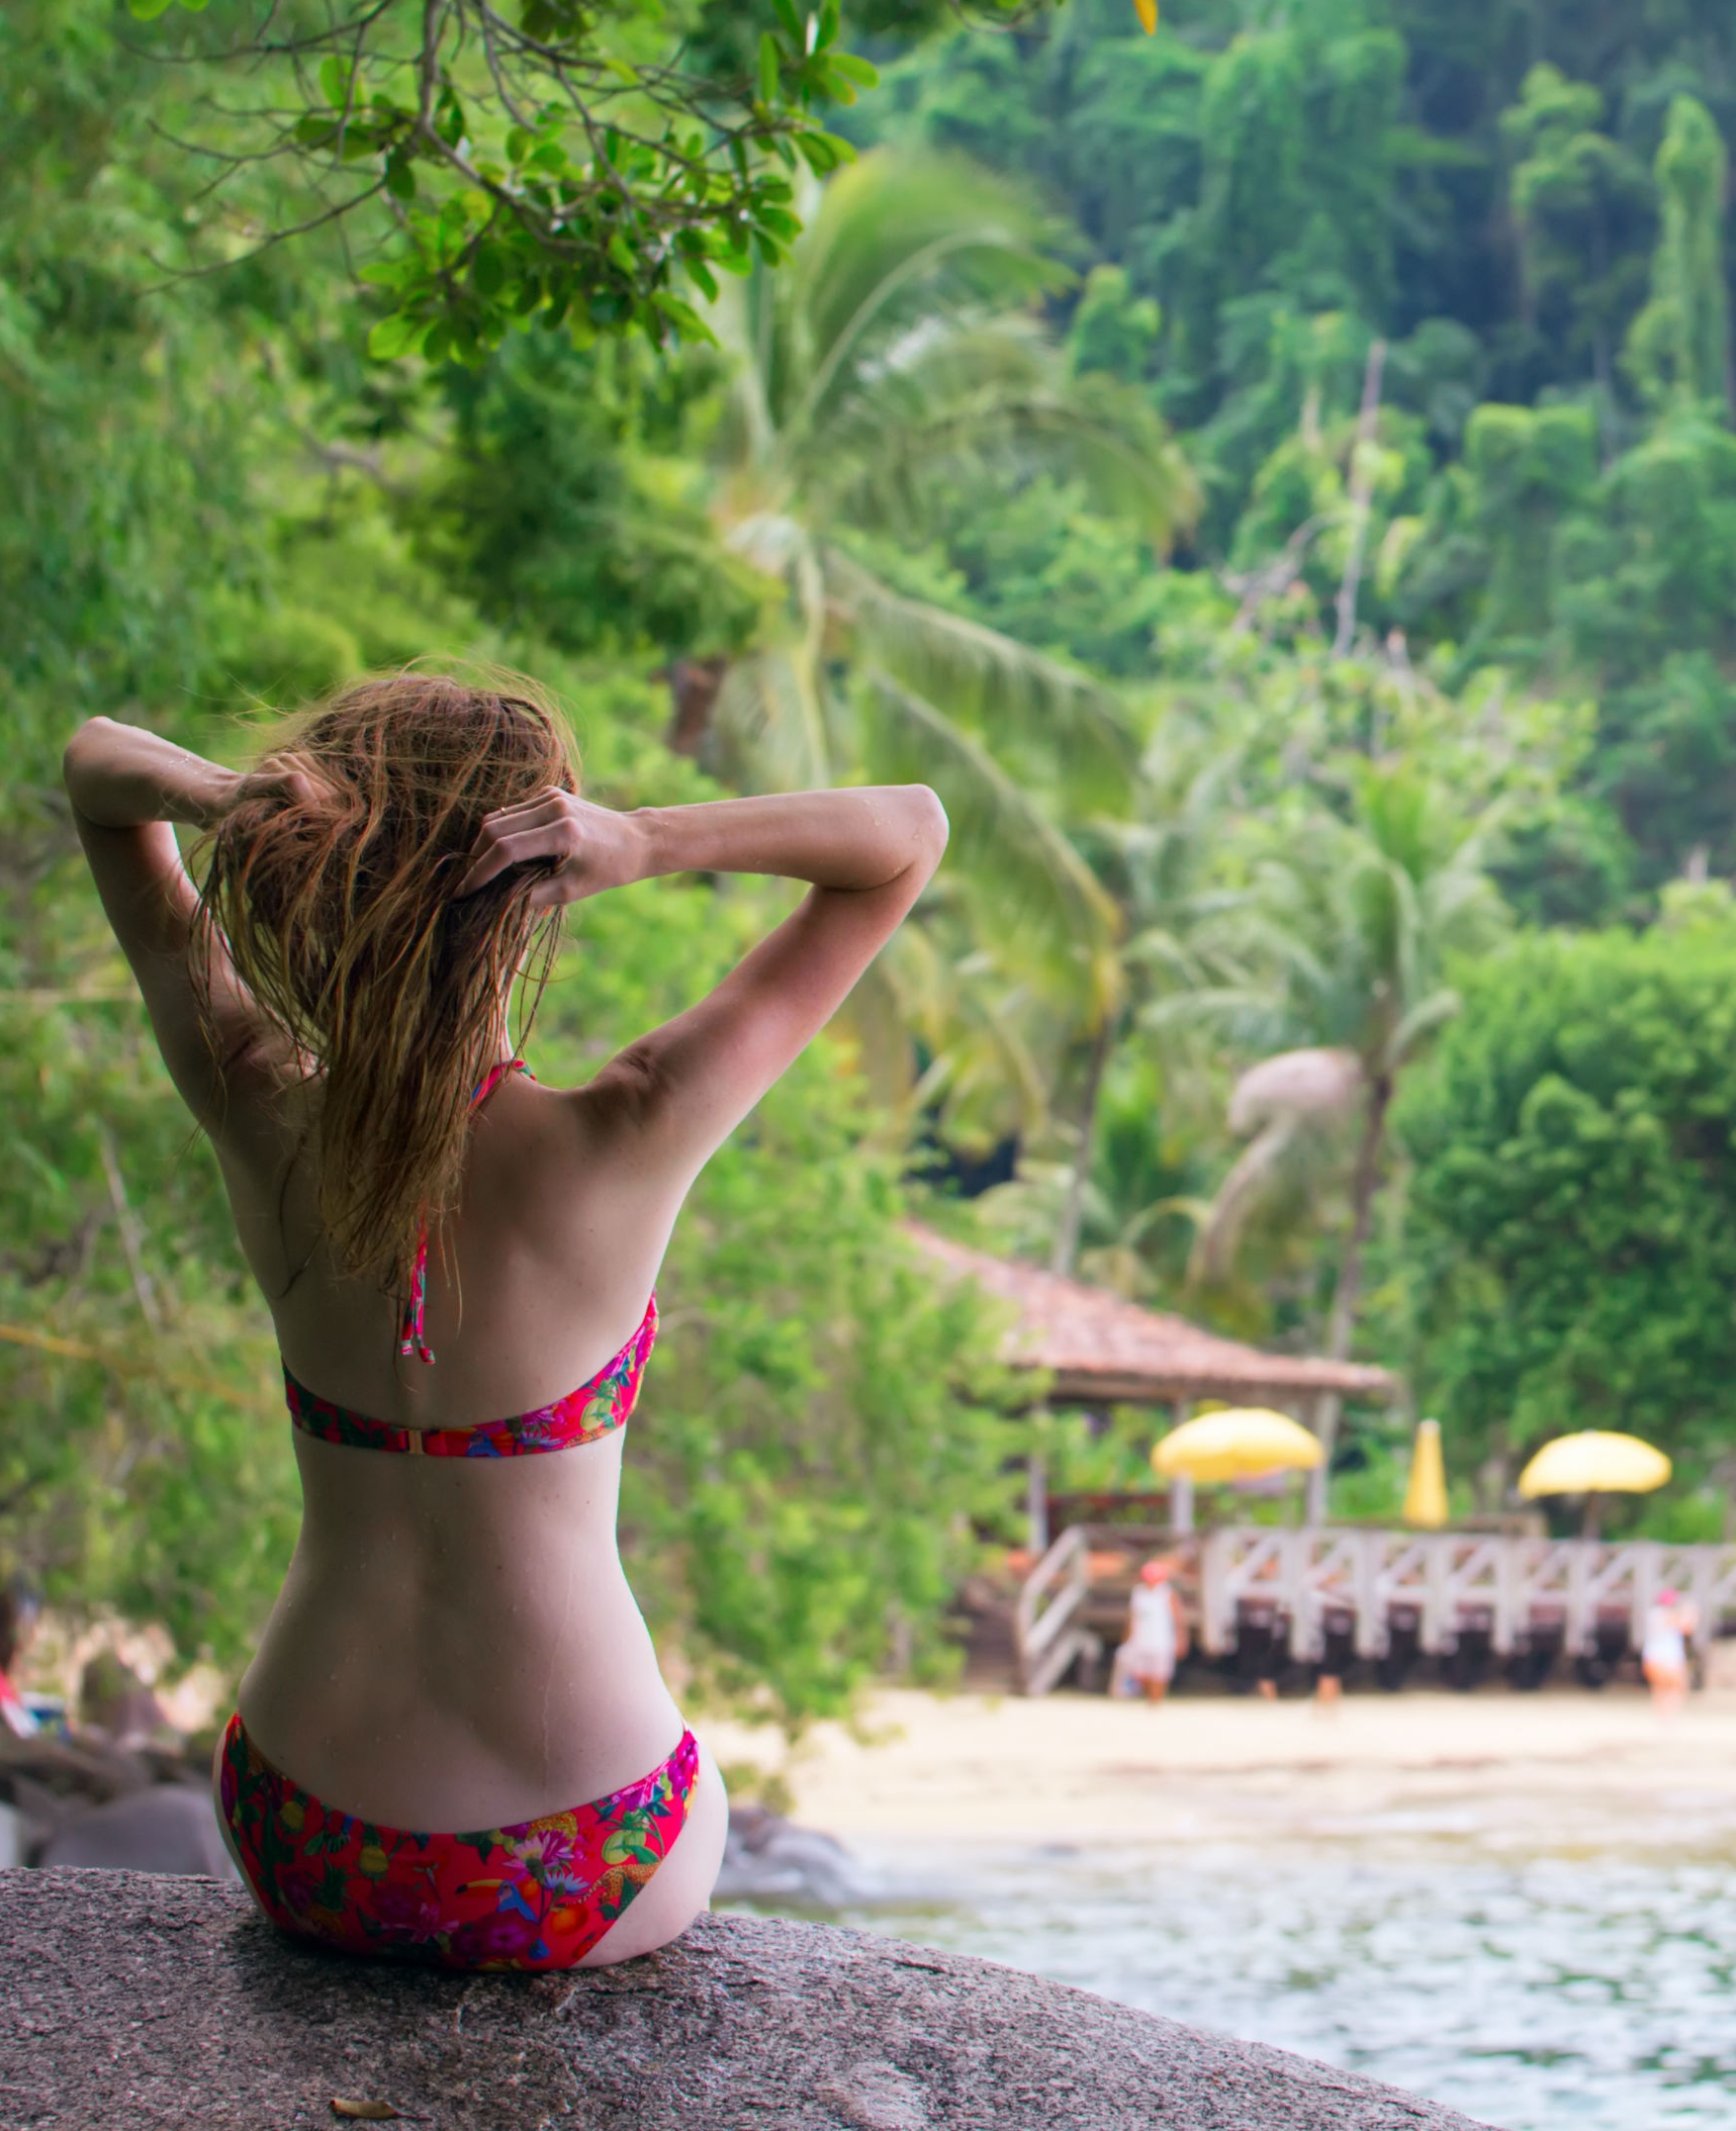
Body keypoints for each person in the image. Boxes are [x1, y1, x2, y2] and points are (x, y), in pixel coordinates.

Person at [63, 677, 943, 1971]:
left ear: (323, 875)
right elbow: (905, 833)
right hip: (584, 1856)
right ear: (532, 902)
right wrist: (645, 839)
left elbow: (96, 771)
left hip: (301, 1839)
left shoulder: (252, 1101)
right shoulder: (632, 1127)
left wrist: (231, 802)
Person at [1112, 1559, 1184, 1704]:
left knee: (1160, 1675)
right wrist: (1127, 1638)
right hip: (1141, 1640)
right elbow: (1132, 1618)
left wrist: (1181, 1640)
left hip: (1162, 1640)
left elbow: (1178, 1620)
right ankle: (1146, 1698)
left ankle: (1155, 1703)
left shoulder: (1167, 1593)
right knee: (1140, 1673)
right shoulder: (1138, 1592)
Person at [1641, 1586, 1695, 1714]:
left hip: (1652, 1657)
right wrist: (1691, 1612)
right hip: (1667, 1658)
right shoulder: (1664, 1614)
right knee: (1679, 1687)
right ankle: (1669, 1716)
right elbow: (1686, 1627)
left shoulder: (1652, 1614)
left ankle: (1662, 1715)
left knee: (1660, 1688)